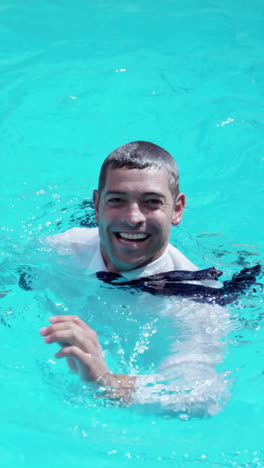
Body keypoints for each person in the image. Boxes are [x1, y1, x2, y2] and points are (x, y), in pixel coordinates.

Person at [40, 141, 229, 415]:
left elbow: (202, 396)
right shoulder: (65, 249)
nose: (133, 217)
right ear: (96, 205)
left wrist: (107, 382)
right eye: (117, 200)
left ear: (177, 209)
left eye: (152, 202)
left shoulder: (196, 302)